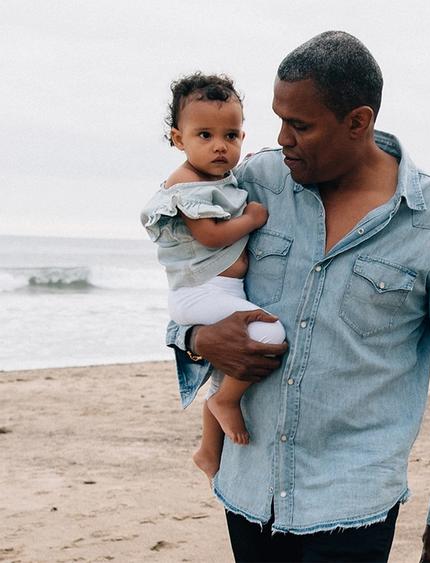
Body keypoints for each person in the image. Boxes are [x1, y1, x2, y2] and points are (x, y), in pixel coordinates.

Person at [164, 32, 430, 562]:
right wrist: (196, 338)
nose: (282, 137)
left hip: (354, 508)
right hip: (248, 493)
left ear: (358, 122)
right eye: (278, 119)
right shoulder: (253, 185)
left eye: (301, 125)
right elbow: (189, 278)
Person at [140, 73, 286, 480]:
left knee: (228, 364)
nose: (220, 146)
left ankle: (208, 450)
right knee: (271, 334)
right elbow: (209, 234)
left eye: (231, 135)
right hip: (200, 291)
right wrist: (253, 218)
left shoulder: (219, 179)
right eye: (204, 135)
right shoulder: (185, 183)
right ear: (178, 139)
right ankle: (225, 403)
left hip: (215, 290)